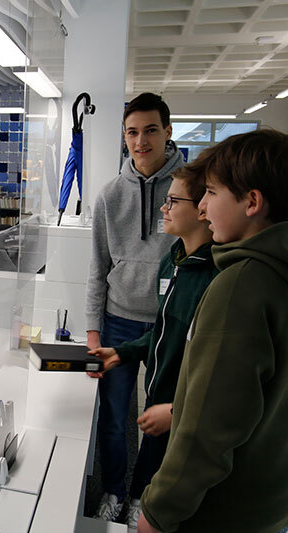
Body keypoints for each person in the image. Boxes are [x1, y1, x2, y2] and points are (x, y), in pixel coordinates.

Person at [137, 129, 288, 533]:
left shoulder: (241, 284)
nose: (203, 208)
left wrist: (159, 511)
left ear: (252, 202)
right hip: (278, 486)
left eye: (210, 192)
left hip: (226, 504)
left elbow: (208, 428)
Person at [89, 165, 217, 528]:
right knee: (142, 436)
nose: (164, 208)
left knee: (167, 463)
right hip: (165, 390)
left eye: (173, 201)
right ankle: (129, 497)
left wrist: (178, 411)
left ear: (203, 207)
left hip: (188, 405)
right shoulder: (173, 261)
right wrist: (122, 351)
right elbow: (165, 330)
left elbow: (219, 373)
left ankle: (145, 506)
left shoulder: (217, 277)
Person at [86, 92, 184, 522]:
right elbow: (97, 268)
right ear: (123, 138)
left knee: (157, 420)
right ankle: (112, 490)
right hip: (118, 321)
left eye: (150, 130)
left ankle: (144, 495)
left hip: (168, 324)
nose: (141, 141)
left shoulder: (190, 189)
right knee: (113, 416)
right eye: (132, 132)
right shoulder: (109, 195)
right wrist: (93, 331)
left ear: (167, 132)